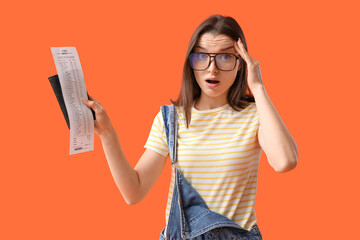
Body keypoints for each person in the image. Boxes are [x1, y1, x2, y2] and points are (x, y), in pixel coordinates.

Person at [82, 14, 298, 240]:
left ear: (241, 63)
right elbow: (134, 192)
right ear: (190, 62)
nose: (212, 68)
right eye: (202, 56)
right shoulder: (170, 119)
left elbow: (285, 161)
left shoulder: (256, 116)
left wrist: (258, 87)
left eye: (225, 56)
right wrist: (107, 133)